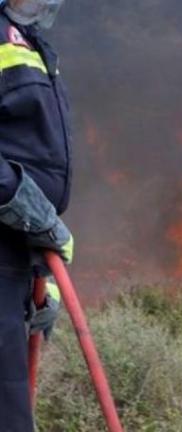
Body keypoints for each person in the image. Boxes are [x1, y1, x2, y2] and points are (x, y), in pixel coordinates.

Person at [0, 0, 72, 429]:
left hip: (13, 265)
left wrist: (41, 273)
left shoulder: (30, 41)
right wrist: (21, 201)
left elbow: (36, 164)